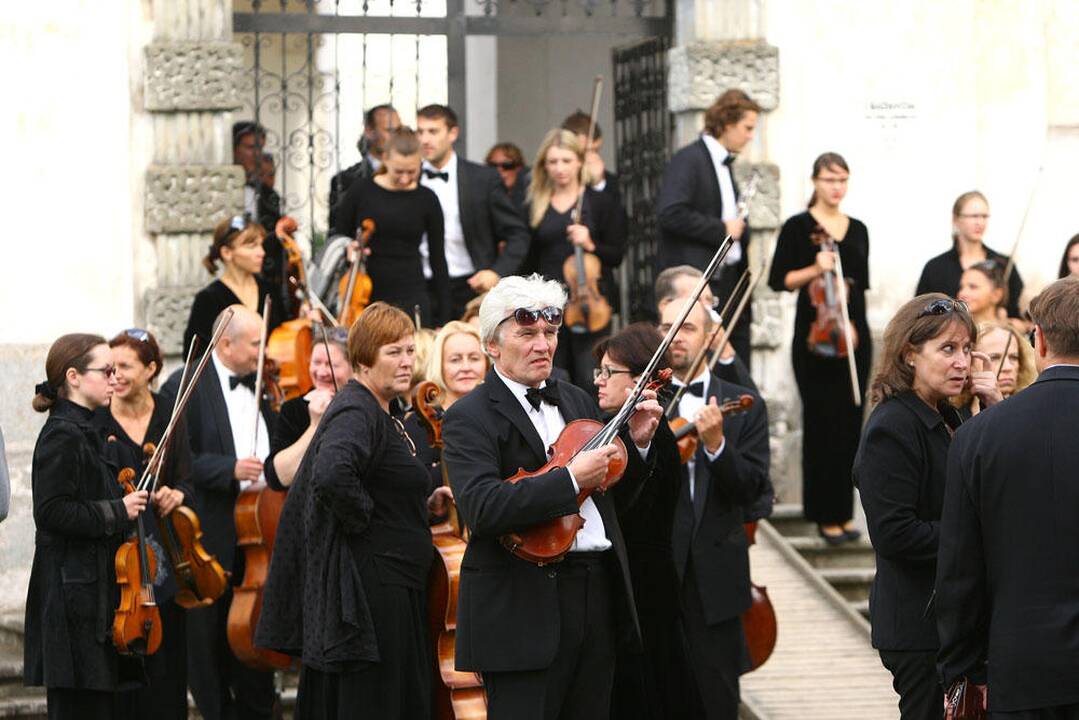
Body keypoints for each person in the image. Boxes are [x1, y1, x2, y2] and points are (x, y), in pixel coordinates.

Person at [441, 274, 664, 720]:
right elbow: (482, 509)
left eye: (550, 332)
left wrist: (635, 448)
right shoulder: (468, 416)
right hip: (520, 610)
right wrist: (566, 480)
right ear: (492, 345)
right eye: (527, 333)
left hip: (595, 595)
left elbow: (609, 501)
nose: (543, 344)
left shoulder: (578, 400)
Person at [254, 302, 453, 719]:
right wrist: (369, 523)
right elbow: (331, 475)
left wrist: (420, 505)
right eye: (392, 352)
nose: (406, 362)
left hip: (390, 586)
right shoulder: (356, 410)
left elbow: (375, 483)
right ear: (363, 359)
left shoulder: (380, 410)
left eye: (408, 350)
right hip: (373, 597)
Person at [937, 277, 1079, 719]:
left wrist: (959, 667)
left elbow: (961, 568)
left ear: (1038, 341)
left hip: (1021, 665)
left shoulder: (980, 437)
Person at [853, 295, 999, 720]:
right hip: (919, 625)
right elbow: (895, 534)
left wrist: (991, 412)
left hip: (954, 620)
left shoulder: (952, 418)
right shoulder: (893, 426)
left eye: (967, 349)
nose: (962, 362)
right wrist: (974, 539)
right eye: (947, 349)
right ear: (909, 355)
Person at [24, 334, 149, 719]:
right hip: (71, 604)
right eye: (106, 370)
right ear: (74, 377)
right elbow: (51, 512)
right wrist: (117, 510)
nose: (115, 378)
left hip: (91, 598)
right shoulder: (62, 434)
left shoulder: (90, 431)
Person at [161, 306, 278, 720]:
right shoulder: (185, 383)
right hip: (210, 540)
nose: (264, 351)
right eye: (256, 343)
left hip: (261, 534)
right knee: (207, 644)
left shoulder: (264, 384)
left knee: (254, 645)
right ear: (225, 344)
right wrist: (227, 469)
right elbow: (174, 459)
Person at [657, 297, 771, 719]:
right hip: (658, 571)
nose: (675, 336)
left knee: (717, 699)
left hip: (716, 576)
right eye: (668, 326)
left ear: (711, 337)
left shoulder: (744, 404)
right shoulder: (643, 403)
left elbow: (753, 490)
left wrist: (717, 446)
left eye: (687, 327)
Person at [767, 153, 871, 544]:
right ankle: (823, 514)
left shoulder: (858, 229)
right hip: (814, 340)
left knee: (849, 428)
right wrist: (817, 268)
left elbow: (860, 284)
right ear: (814, 181)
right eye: (829, 179)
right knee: (821, 426)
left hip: (853, 337)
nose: (836, 187)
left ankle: (844, 514)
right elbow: (781, 279)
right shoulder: (797, 228)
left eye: (842, 179)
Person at [92, 329, 192, 720]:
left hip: (164, 548)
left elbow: (187, 478)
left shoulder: (169, 411)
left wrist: (177, 494)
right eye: (110, 367)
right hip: (121, 558)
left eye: (125, 367)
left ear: (151, 369)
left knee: (168, 667)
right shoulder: (99, 419)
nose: (114, 375)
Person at [592, 322, 690, 719]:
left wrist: (640, 443)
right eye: (598, 371)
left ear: (640, 380)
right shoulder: (605, 430)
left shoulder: (656, 435)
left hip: (646, 592)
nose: (598, 381)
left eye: (608, 373)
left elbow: (638, 511)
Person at [657, 89, 760, 364]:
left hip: (728, 281)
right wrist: (721, 228)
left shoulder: (723, 162)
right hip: (701, 281)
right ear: (727, 123)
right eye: (747, 128)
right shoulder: (689, 159)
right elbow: (670, 212)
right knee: (705, 359)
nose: (751, 136)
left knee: (733, 359)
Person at [524, 128, 627, 390]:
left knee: (587, 375)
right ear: (544, 165)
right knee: (550, 374)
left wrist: (591, 244)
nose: (560, 168)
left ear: (580, 161)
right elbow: (528, 257)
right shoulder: (535, 203)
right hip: (546, 302)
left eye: (566, 160)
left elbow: (617, 255)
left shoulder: (600, 202)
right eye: (553, 161)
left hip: (588, 303)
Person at [416, 104, 532, 320]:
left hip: (469, 286)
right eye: (420, 132)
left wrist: (496, 272)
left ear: (453, 133)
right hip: (421, 286)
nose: (425, 139)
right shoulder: (409, 178)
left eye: (433, 131)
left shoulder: (482, 179)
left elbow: (517, 234)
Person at [331, 126, 450, 327]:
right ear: (385, 159)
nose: (405, 178)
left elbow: (438, 259)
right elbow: (338, 236)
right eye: (398, 171)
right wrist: (349, 247)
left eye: (411, 171)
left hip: (411, 290)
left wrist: (445, 317)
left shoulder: (427, 199)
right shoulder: (361, 191)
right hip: (366, 290)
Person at [182, 214, 283, 357]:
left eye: (261, 245)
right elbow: (194, 356)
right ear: (227, 253)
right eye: (252, 246)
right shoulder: (208, 299)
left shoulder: (269, 291)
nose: (261, 252)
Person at [264, 328, 352, 490]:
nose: (321, 372)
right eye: (316, 363)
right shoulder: (293, 410)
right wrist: (315, 425)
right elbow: (276, 478)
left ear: (353, 368)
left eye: (331, 365)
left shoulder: (366, 405)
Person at [915, 191, 1023, 318]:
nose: (980, 222)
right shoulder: (935, 268)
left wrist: (1005, 322)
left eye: (984, 216)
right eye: (974, 216)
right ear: (955, 219)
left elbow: (1016, 317)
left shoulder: (1004, 265)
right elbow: (920, 316)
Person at [654, 264, 756, 391]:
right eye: (697, 299)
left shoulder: (712, 347)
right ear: (666, 305)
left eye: (709, 300)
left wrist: (725, 352)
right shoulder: (646, 349)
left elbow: (751, 404)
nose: (706, 309)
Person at [232, 121, 286, 311]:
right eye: (250, 148)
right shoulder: (224, 189)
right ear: (234, 150)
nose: (256, 155)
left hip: (262, 273)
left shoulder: (269, 196)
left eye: (260, 148)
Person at [328, 103, 401, 229]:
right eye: (389, 130)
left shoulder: (414, 173)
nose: (396, 136)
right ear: (369, 131)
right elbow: (338, 232)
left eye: (398, 130)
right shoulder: (345, 180)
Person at [561, 110, 622, 207]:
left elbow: (615, 220)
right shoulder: (550, 179)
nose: (590, 157)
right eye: (584, 151)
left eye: (595, 151)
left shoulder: (609, 182)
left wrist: (598, 185)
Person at [973, 321, 1036, 400]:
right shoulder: (956, 409)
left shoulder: (1030, 405)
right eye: (994, 358)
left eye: (1013, 357)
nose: (1008, 367)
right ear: (970, 362)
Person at [957, 260, 1007, 325]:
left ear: (996, 295)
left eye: (973, 287)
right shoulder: (954, 330)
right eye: (961, 287)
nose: (962, 293)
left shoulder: (1005, 334)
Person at [486, 141, 530, 213]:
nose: (499, 170)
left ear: (519, 168)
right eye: (493, 166)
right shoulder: (482, 200)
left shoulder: (530, 200)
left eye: (507, 165)